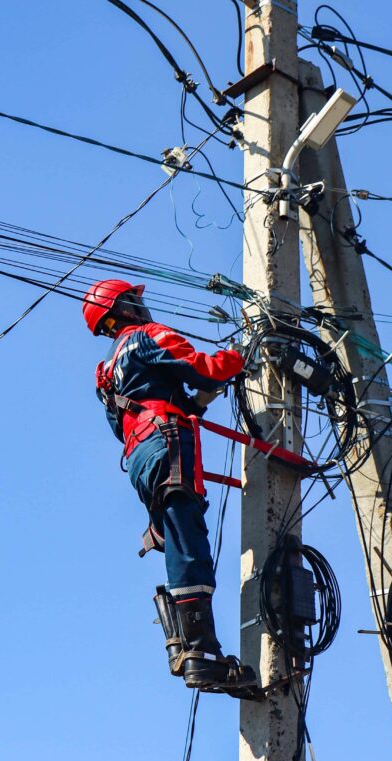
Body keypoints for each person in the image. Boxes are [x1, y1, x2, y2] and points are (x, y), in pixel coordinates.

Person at [83, 277, 256, 694]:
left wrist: (195, 402)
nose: (144, 307)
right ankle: (200, 650)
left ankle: (184, 646)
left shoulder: (104, 373)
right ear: (124, 308)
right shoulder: (146, 335)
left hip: (139, 458)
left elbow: (120, 424)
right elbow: (203, 367)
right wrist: (241, 356)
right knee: (188, 539)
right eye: (136, 302)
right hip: (167, 438)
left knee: (178, 537)